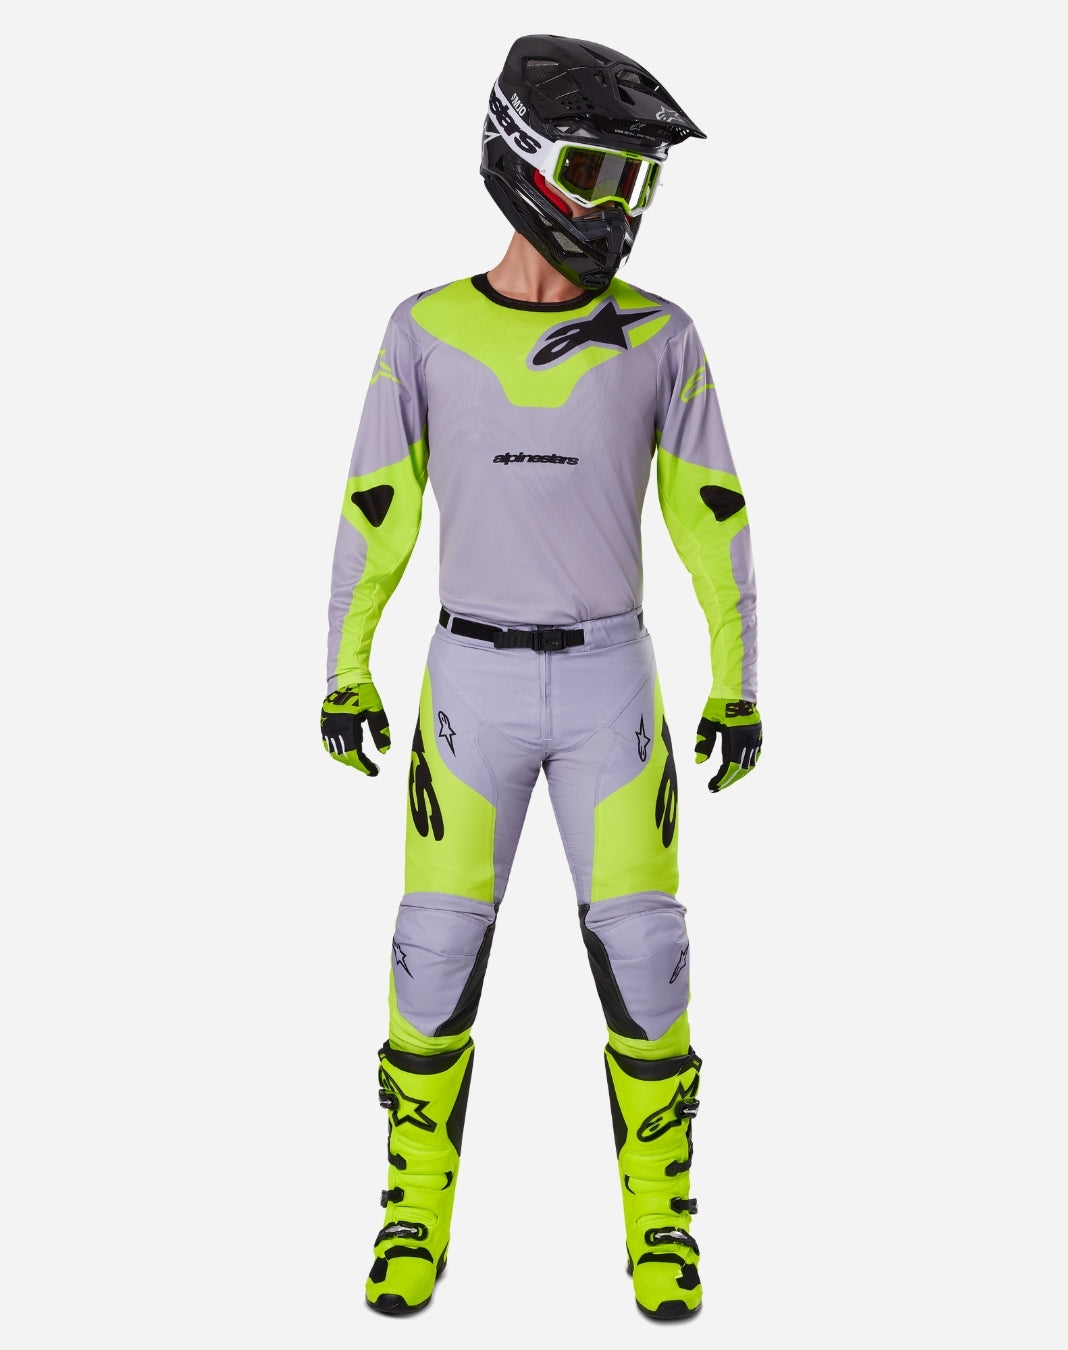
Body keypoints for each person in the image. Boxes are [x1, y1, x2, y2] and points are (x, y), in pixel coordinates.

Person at [320, 33, 762, 1321]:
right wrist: (344, 667)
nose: (619, 206)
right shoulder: (425, 331)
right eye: (598, 171)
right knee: (431, 953)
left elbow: (712, 516)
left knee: (650, 957)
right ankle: (411, 1214)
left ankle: (663, 1228)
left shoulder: (663, 338)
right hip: (470, 684)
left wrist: (738, 680)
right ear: (522, 156)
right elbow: (375, 505)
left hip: (613, 684)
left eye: (637, 181)